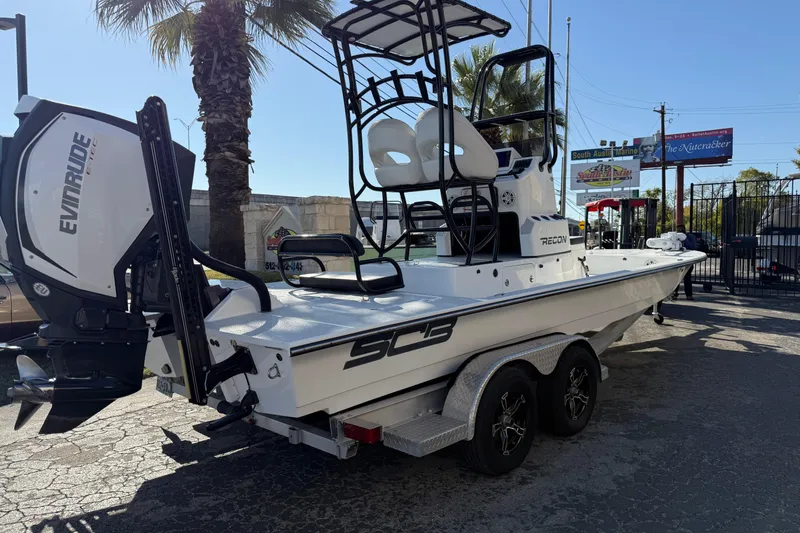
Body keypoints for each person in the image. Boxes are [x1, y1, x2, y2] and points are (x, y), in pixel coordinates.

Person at [674, 224, 696, 300]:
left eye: (682, 229)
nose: (680, 231)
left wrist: (685, 239)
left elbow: (693, 247)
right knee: (676, 277)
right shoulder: (674, 237)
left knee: (687, 277)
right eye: (678, 230)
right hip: (677, 260)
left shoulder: (690, 237)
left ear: (685, 230)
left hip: (687, 259)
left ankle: (689, 294)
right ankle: (674, 293)